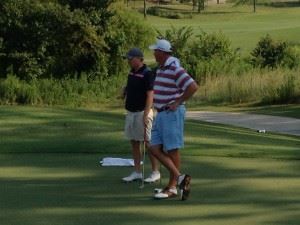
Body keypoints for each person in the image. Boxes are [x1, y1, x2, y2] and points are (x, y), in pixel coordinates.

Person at [148, 39, 198, 200]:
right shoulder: (162, 68)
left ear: (162, 52)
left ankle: (172, 187)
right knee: (153, 147)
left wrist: (178, 101)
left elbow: (192, 86)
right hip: (161, 113)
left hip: (172, 114)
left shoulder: (175, 69)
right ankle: (180, 178)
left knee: (172, 149)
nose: (153, 53)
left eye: (155, 51)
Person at [122, 47, 161, 183]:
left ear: (139, 59)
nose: (128, 61)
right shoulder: (132, 72)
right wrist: (125, 91)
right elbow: (131, 87)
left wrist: (146, 113)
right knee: (134, 142)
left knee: (148, 143)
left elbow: (150, 94)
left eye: (130, 59)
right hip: (131, 112)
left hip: (142, 112)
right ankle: (137, 172)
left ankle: (155, 171)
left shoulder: (147, 73)